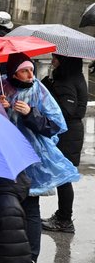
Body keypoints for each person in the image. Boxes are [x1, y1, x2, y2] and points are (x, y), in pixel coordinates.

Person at [0, 53, 79, 263]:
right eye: (25, 70)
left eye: (31, 69)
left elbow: (56, 124)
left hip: (31, 158)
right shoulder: (2, 87)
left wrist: (30, 114)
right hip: (4, 155)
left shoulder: (38, 89)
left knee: (30, 207)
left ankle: (31, 256)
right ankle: (0, 250)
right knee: (2, 204)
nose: (31, 74)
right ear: (13, 72)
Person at [40, 54, 86, 234]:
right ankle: (63, 216)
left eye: (55, 59)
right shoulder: (73, 76)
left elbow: (67, 110)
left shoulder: (67, 79)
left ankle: (64, 220)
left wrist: (50, 89)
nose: (52, 61)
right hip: (71, 132)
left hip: (68, 134)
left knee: (64, 176)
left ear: (64, 61)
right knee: (63, 176)